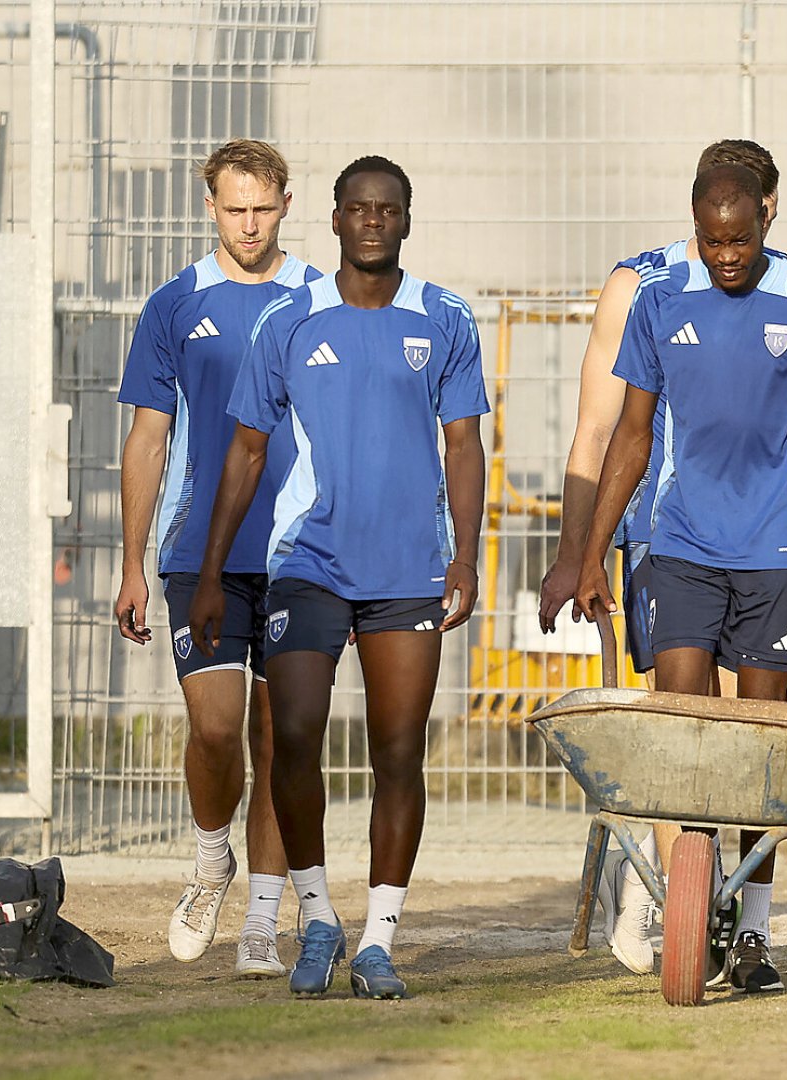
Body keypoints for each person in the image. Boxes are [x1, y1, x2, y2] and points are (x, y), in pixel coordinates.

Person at [536, 139, 787, 975]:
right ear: (697, 216)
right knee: (680, 731)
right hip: (667, 538)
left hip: (769, 551)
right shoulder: (643, 289)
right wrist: (584, 551)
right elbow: (607, 434)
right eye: (711, 236)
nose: (724, 253)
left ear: (766, 210)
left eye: (738, 236)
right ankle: (672, 889)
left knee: (755, 744)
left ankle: (738, 917)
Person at [188, 156, 488, 1000]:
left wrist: (464, 556)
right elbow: (247, 451)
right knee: (295, 738)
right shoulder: (289, 318)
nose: (371, 222)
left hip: (408, 573)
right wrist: (211, 572)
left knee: (397, 754)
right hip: (308, 566)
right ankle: (317, 918)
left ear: (405, 220)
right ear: (332, 218)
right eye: (357, 208)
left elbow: (463, 445)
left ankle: (379, 939)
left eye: (386, 210)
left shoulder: (445, 317)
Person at [114, 139, 319, 978]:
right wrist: (131, 563)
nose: (248, 224)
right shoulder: (174, 305)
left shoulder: (321, 297)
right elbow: (148, 437)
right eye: (234, 209)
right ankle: (210, 862)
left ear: (285, 205)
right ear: (210, 207)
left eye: (262, 208)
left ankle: (264, 924)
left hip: (303, 552)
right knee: (214, 727)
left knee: (284, 738)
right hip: (200, 553)